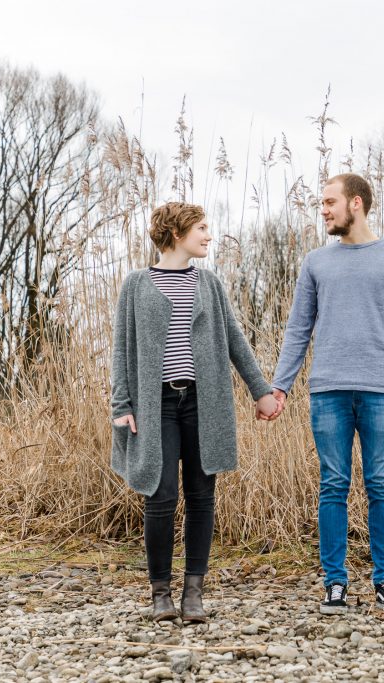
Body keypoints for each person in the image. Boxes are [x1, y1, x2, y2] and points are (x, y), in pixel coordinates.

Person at [110, 202, 278, 622]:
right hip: (157, 406)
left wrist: (261, 390)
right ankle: (160, 593)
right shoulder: (136, 284)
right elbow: (121, 348)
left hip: (205, 403)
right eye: (201, 228)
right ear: (177, 232)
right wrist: (121, 404)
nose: (208, 235)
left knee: (202, 497)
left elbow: (234, 339)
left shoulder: (209, 283)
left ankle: (194, 593)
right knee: (160, 495)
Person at [270, 173, 384, 614]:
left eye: (329, 201)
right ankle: (334, 584)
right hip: (328, 391)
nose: (323, 209)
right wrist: (280, 385)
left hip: (383, 391)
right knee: (333, 485)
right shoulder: (316, 262)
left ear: (355, 203)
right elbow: (298, 329)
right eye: (322, 203)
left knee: (381, 485)